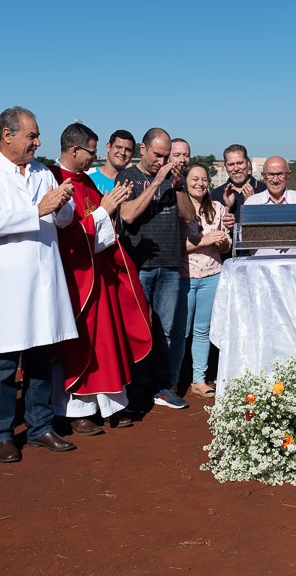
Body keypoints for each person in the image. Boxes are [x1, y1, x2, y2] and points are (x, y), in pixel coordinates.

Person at [0, 107, 79, 463]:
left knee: (40, 357)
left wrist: (62, 204)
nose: (37, 142)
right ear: (7, 135)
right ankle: (0, 432)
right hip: (8, 284)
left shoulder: (42, 172)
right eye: (31, 135)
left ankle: (40, 426)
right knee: (3, 361)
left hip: (44, 279)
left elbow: (63, 220)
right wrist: (39, 210)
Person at [48, 123, 152, 435]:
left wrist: (111, 211)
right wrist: (103, 212)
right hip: (76, 276)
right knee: (81, 343)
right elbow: (67, 234)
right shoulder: (53, 180)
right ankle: (78, 409)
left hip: (101, 274)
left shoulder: (85, 183)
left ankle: (110, 405)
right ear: (74, 149)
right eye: (91, 152)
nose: (94, 158)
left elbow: (105, 228)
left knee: (108, 340)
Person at [116, 127, 195, 411]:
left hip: (170, 264)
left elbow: (188, 217)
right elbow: (127, 214)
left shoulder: (173, 180)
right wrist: (156, 182)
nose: (161, 162)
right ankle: (134, 388)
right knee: (137, 329)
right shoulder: (129, 176)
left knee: (166, 329)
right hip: (140, 265)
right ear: (143, 149)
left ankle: (162, 387)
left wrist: (178, 186)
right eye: (157, 155)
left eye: (165, 156)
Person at [172, 163, 231, 398]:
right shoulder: (177, 209)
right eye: (195, 179)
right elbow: (177, 246)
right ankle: (173, 380)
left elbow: (226, 245)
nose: (200, 183)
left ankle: (198, 379)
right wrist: (205, 240)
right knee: (180, 331)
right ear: (186, 182)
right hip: (185, 277)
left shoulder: (217, 208)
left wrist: (221, 241)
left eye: (204, 179)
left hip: (212, 276)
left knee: (202, 330)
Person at [210, 143, 266, 218]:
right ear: (225, 166)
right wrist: (227, 207)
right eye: (231, 164)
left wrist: (251, 205)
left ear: (248, 163)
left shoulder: (264, 191)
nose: (236, 169)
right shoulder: (216, 194)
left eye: (240, 163)